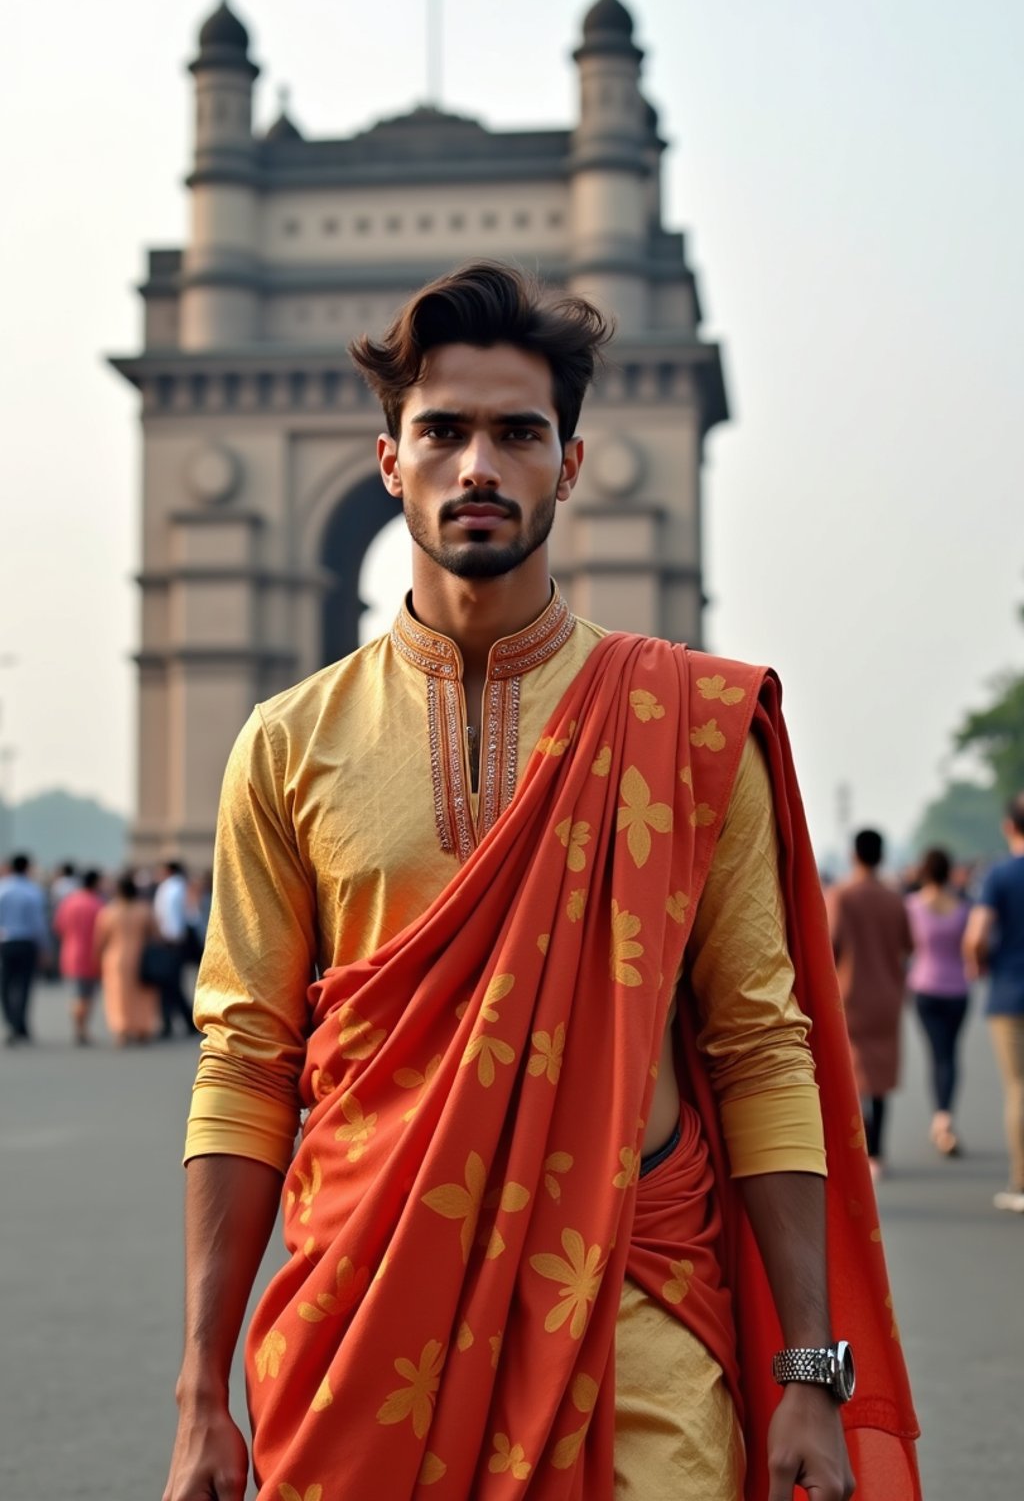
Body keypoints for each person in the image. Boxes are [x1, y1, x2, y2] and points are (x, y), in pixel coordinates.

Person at [164, 264, 919, 1501]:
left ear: (569, 464)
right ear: (388, 459)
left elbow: (757, 1046)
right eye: (443, 431)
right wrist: (200, 1395)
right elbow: (246, 1062)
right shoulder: (287, 745)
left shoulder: (684, 726)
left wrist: (806, 1374)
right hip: (363, 1325)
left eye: (517, 432)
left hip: (637, 1323)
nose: (478, 465)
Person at [827, 830, 913, 1180]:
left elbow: (829, 945)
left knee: (852, 1072)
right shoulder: (894, 899)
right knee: (880, 1076)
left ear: (853, 855)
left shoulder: (842, 896)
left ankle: (859, 1148)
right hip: (887, 995)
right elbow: (908, 945)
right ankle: (877, 1150)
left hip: (850, 995)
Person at [964, 792, 1024, 1212]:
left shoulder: (999, 875)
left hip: (1011, 990)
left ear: (1008, 827)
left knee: (1019, 1088)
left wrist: (977, 963)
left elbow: (975, 936)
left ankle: (1021, 1183)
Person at [905, 848, 971, 1156]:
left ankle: (940, 1120)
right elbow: (973, 946)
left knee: (937, 1054)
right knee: (950, 1055)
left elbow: (906, 946)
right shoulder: (962, 907)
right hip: (958, 989)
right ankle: (944, 1118)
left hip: (925, 987)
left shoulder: (914, 906)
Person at [95, 871, 160, 1046]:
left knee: (118, 995)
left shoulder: (109, 911)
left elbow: (101, 939)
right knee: (143, 994)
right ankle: (142, 1027)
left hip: (116, 958)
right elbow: (156, 934)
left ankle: (121, 1029)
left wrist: (96, 957)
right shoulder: (144, 910)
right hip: (140, 955)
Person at [0, 853, 50, 1045]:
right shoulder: (33, 891)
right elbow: (39, 924)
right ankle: (20, 1024)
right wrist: (44, 948)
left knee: (5, 986)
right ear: (27, 868)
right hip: (27, 943)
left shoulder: (3, 889)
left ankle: (13, 1022)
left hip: (6, 942)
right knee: (24, 986)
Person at [53, 868, 106, 1045]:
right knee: (87, 996)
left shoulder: (69, 902)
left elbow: (58, 927)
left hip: (70, 952)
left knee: (77, 994)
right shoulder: (98, 904)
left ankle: (79, 1028)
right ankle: (81, 1029)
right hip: (91, 954)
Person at [153, 860, 198, 1036]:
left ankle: (172, 1023)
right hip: (178, 941)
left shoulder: (170, 888)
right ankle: (180, 1022)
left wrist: (169, 938)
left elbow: (170, 916)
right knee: (172, 984)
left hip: (172, 942)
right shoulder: (181, 886)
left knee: (170, 984)